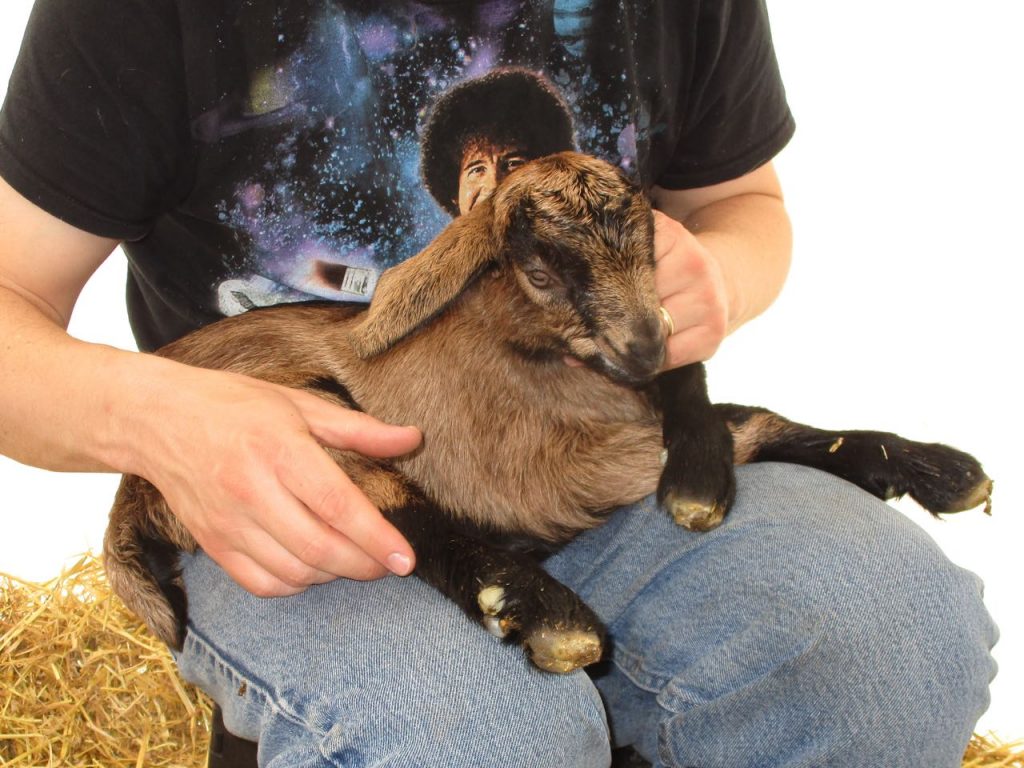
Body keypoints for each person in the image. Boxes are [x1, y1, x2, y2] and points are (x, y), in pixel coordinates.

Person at [0, 1, 996, 766]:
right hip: (305, 506)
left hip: (588, 460)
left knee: (897, 635)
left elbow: (742, 201)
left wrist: (719, 276)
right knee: (477, 736)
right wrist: (162, 419)